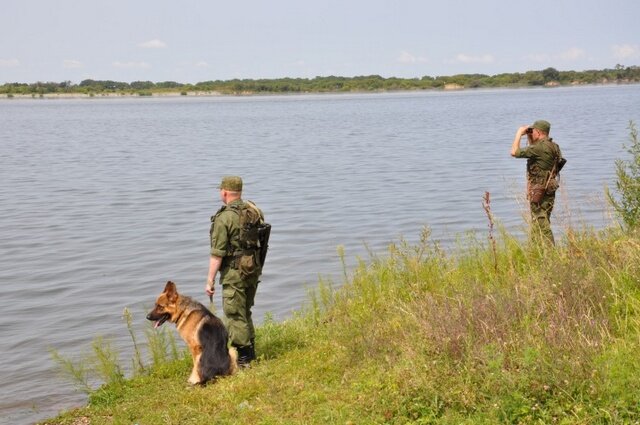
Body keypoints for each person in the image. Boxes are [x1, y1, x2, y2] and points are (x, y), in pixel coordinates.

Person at [205, 176, 264, 366]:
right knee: (245, 311)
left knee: (234, 314)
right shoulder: (253, 211)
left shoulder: (224, 218)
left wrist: (210, 281)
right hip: (252, 270)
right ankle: (251, 353)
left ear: (224, 192)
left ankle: (244, 360)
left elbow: (217, 254)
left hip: (234, 274)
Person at [510, 120, 563, 245]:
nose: (531, 133)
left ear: (538, 132)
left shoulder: (539, 148)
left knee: (540, 221)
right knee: (540, 221)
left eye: (532, 131)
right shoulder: (554, 146)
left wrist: (519, 133)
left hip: (539, 189)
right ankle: (535, 250)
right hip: (549, 188)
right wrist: (530, 136)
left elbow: (514, 152)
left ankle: (551, 252)